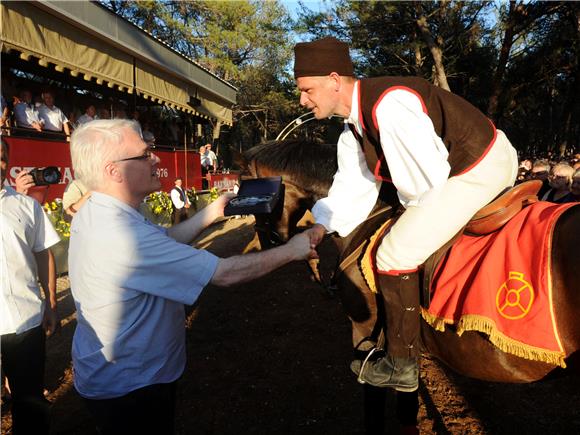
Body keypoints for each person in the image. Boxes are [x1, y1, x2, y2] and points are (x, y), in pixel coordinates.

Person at [294, 37, 518, 392]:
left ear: (334, 81)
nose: (303, 99)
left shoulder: (387, 107)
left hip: (480, 167)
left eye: (307, 89)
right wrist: (322, 225)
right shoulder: (354, 127)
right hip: (474, 160)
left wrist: (407, 214)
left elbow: (424, 182)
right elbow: (354, 184)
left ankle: (403, 364)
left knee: (394, 252)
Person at [68, 119, 317, 434]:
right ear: (113, 171)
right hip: (132, 387)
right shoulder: (120, 235)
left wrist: (211, 213)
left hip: (123, 378)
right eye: (144, 155)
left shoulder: (105, 212)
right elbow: (225, 274)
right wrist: (294, 249)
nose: (156, 158)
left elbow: (163, 241)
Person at [1, 137, 60, 435]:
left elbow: (42, 254)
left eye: (1, 157)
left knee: (30, 402)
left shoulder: (27, 206)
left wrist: (51, 301)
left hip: (25, 322)